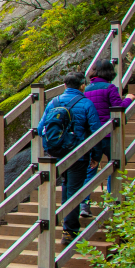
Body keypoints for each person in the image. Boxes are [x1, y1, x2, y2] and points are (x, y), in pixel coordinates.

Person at [42, 73, 100, 238]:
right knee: (74, 190)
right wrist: (96, 155)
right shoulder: (86, 104)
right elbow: (96, 131)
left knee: (67, 185)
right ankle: (69, 230)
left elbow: (41, 129)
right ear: (83, 85)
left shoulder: (53, 102)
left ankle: (65, 222)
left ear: (64, 85)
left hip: (57, 153)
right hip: (78, 154)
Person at [80, 60, 133, 217]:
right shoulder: (110, 88)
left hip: (93, 137)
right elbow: (119, 107)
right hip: (109, 136)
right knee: (115, 167)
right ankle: (112, 201)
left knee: (90, 171)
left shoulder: (87, 90)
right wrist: (129, 98)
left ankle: (84, 205)